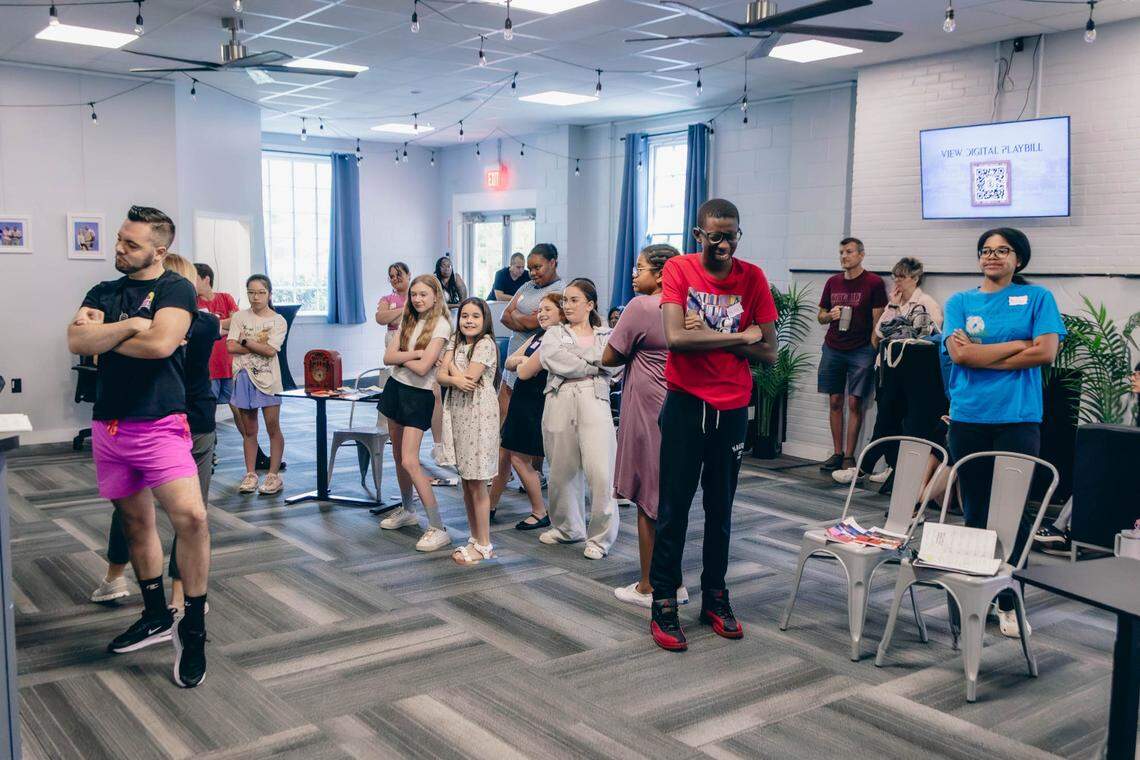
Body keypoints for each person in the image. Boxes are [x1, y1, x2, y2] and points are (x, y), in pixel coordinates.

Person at [66, 205, 209, 688]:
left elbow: (161, 346)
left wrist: (104, 335)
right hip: (110, 425)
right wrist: (130, 326)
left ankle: (192, 624)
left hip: (159, 424)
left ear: (159, 249)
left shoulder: (175, 288)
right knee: (134, 521)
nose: (119, 249)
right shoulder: (102, 291)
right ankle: (154, 614)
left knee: (191, 518)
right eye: (120, 240)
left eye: (130, 243)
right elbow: (75, 340)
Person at [648, 198, 777, 653]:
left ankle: (716, 598)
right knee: (674, 510)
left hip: (732, 408)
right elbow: (677, 339)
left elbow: (770, 352)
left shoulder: (753, 277)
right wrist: (742, 335)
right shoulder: (680, 270)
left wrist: (717, 336)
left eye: (732, 235)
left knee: (721, 510)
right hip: (686, 405)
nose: (724, 244)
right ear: (698, 235)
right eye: (715, 235)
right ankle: (664, 601)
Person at [943, 227, 1065, 638]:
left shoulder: (1038, 299)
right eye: (986, 251)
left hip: (1018, 419)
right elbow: (959, 353)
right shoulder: (960, 301)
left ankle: (1010, 601)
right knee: (975, 512)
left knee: (1012, 515)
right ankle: (977, 595)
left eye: (1003, 250)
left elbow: (1046, 351)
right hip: (969, 418)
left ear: (1019, 259)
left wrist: (982, 358)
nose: (992, 257)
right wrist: (1017, 345)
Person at [92, 254, 219, 611]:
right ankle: (180, 596)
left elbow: (101, 352)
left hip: (155, 420)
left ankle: (115, 577)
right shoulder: (206, 324)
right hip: (191, 420)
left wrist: (110, 337)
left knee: (132, 510)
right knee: (192, 516)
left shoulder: (145, 323)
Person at [606, 244, 687, 608]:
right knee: (671, 498)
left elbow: (610, 354)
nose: (633, 275)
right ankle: (675, 581)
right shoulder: (686, 306)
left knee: (646, 500)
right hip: (677, 406)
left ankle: (649, 585)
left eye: (639, 269)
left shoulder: (641, 307)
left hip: (645, 409)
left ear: (660, 273)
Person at [834, 256, 944, 485]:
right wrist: (893, 307)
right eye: (895, 277)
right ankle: (890, 466)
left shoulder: (926, 303)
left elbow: (930, 339)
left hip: (913, 376)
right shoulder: (894, 302)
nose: (897, 282)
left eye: (902, 277)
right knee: (887, 421)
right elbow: (878, 336)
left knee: (892, 423)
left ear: (915, 278)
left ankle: (866, 468)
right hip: (887, 369)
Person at [537, 278, 619, 559]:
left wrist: (587, 362)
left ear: (590, 304)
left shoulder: (607, 334)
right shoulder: (554, 334)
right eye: (565, 301)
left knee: (601, 472)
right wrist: (593, 364)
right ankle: (567, 528)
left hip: (595, 400)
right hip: (559, 398)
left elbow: (615, 362)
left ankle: (600, 539)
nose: (567, 306)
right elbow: (554, 359)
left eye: (574, 300)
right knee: (561, 468)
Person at [377, 275, 454, 552]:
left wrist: (406, 357)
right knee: (398, 457)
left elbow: (424, 370)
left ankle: (438, 527)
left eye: (424, 294)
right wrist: (416, 354)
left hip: (417, 395)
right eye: (414, 295)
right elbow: (387, 358)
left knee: (410, 461)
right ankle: (408, 510)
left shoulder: (442, 324)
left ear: (435, 296)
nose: (418, 299)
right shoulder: (408, 320)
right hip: (395, 389)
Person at [490, 244, 564, 503]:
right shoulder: (526, 287)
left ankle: (534, 471)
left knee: (532, 422)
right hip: (516, 355)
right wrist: (522, 318)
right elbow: (504, 316)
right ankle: (506, 469)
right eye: (530, 268)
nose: (532, 273)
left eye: (537, 267)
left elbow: (535, 323)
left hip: (535, 363)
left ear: (553, 262)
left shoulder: (559, 290)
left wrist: (521, 319)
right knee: (505, 416)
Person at [437, 298, 501, 564]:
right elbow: (442, 377)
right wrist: (452, 375)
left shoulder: (485, 344)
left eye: (475, 316)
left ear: (484, 319)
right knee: (466, 480)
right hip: (460, 413)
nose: (469, 321)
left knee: (477, 481)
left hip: (479, 414)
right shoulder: (459, 342)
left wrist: (449, 364)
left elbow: (469, 378)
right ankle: (474, 538)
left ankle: (485, 543)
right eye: (464, 316)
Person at [817, 238, 888, 473]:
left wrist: (872, 348)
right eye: (841, 252)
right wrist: (830, 316)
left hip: (861, 350)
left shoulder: (874, 283)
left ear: (861, 255)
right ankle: (836, 453)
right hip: (833, 347)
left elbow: (878, 319)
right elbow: (821, 315)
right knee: (834, 400)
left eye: (849, 252)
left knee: (855, 402)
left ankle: (849, 456)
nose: (844, 256)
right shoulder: (832, 282)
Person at [500, 293, 564, 530]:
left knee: (519, 457)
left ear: (562, 313)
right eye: (539, 310)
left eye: (548, 309)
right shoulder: (538, 335)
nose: (541, 314)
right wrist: (522, 362)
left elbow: (526, 370)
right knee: (517, 456)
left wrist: (523, 363)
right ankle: (540, 508)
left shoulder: (555, 338)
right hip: (521, 399)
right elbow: (510, 362)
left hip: (535, 403)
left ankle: (539, 510)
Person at [228, 275, 288, 495]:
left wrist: (245, 341)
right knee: (249, 429)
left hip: (268, 379)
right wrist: (257, 345)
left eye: (261, 292)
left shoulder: (278, 320)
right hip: (243, 376)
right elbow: (230, 347)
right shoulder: (239, 317)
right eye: (251, 292)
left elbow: (271, 351)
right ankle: (250, 474)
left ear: (269, 294)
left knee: (273, 426)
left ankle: (273, 476)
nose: (256, 297)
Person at [193, 263, 240, 411]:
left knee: (238, 408)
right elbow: (195, 329)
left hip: (229, 365)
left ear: (206, 279)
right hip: (208, 368)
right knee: (208, 409)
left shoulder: (226, 298)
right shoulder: (192, 302)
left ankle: (247, 436)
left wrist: (211, 326)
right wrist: (225, 326)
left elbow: (238, 323)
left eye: (193, 278)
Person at [375, 261, 410, 347]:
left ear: (409, 275)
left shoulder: (418, 296)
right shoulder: (386, 299)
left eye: (398, 274)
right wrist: (405, 309)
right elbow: (380, 318)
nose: (395, 278)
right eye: (392, 276)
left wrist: (392, 316)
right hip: (393, 341)